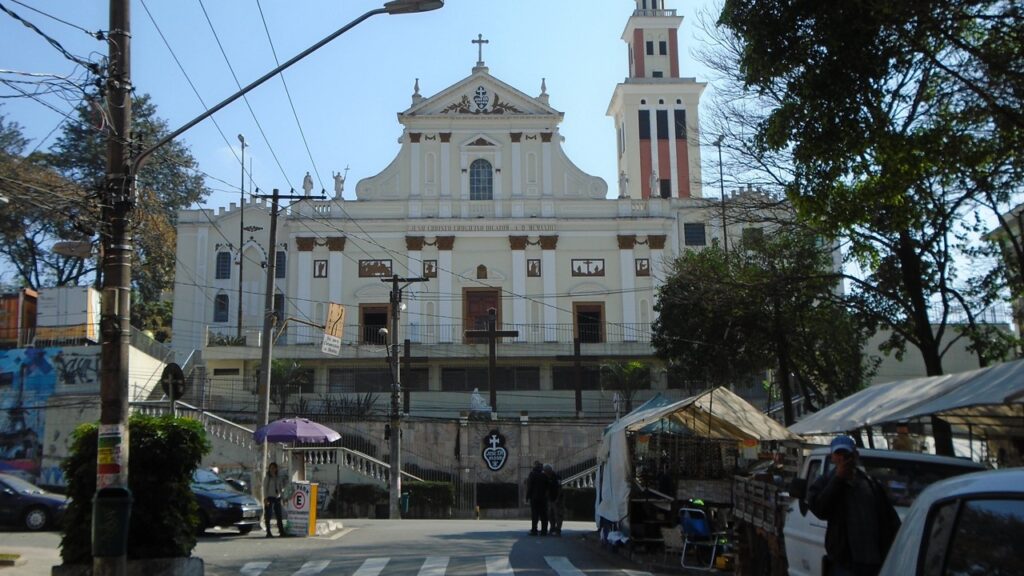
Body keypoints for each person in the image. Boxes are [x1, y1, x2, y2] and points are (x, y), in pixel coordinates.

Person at [807, 435, 901, 576]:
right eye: (838, 454)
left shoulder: (870, 483)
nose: (843, 459)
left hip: (874, 561)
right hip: (845, 562)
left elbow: (890, 519)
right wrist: (838, 479)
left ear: (855, 456)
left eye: (847, 455)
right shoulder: (825, 482)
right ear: (832, 457)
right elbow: (820, 509)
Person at [526, 460, 549, 536]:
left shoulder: (532, 474)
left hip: (534, 497)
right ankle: (544, 531)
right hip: (543, 498)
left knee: (534, 514)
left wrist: (527, 496)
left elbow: (530, 486)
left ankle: (534, 530)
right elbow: (547, 487)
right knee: (543, 514)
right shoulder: (544, 475)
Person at [263, 461, 286, 538]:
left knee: (279, 515)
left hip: (277, 498)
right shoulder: (267, 478)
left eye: (274, 468)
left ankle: (281, 531)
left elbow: (281, 488)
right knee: (268, 515)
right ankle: (268, 532)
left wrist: (282, 497)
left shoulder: (278, 478)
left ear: (276, 469)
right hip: (269, 498)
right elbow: (265, 488)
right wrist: (265, 498)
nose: (272, 469)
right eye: (271, 468)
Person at [544, 464, 565, 536]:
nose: (545, 473)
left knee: (558, 515)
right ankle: (552, 528)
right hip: (550, 499)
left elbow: (560, 488)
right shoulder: (546, 477)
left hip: (557, 499)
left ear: (549, 470)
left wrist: (557, 498)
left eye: (546, 471)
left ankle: (558, 530)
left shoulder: (557, 477)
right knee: (550, 514)